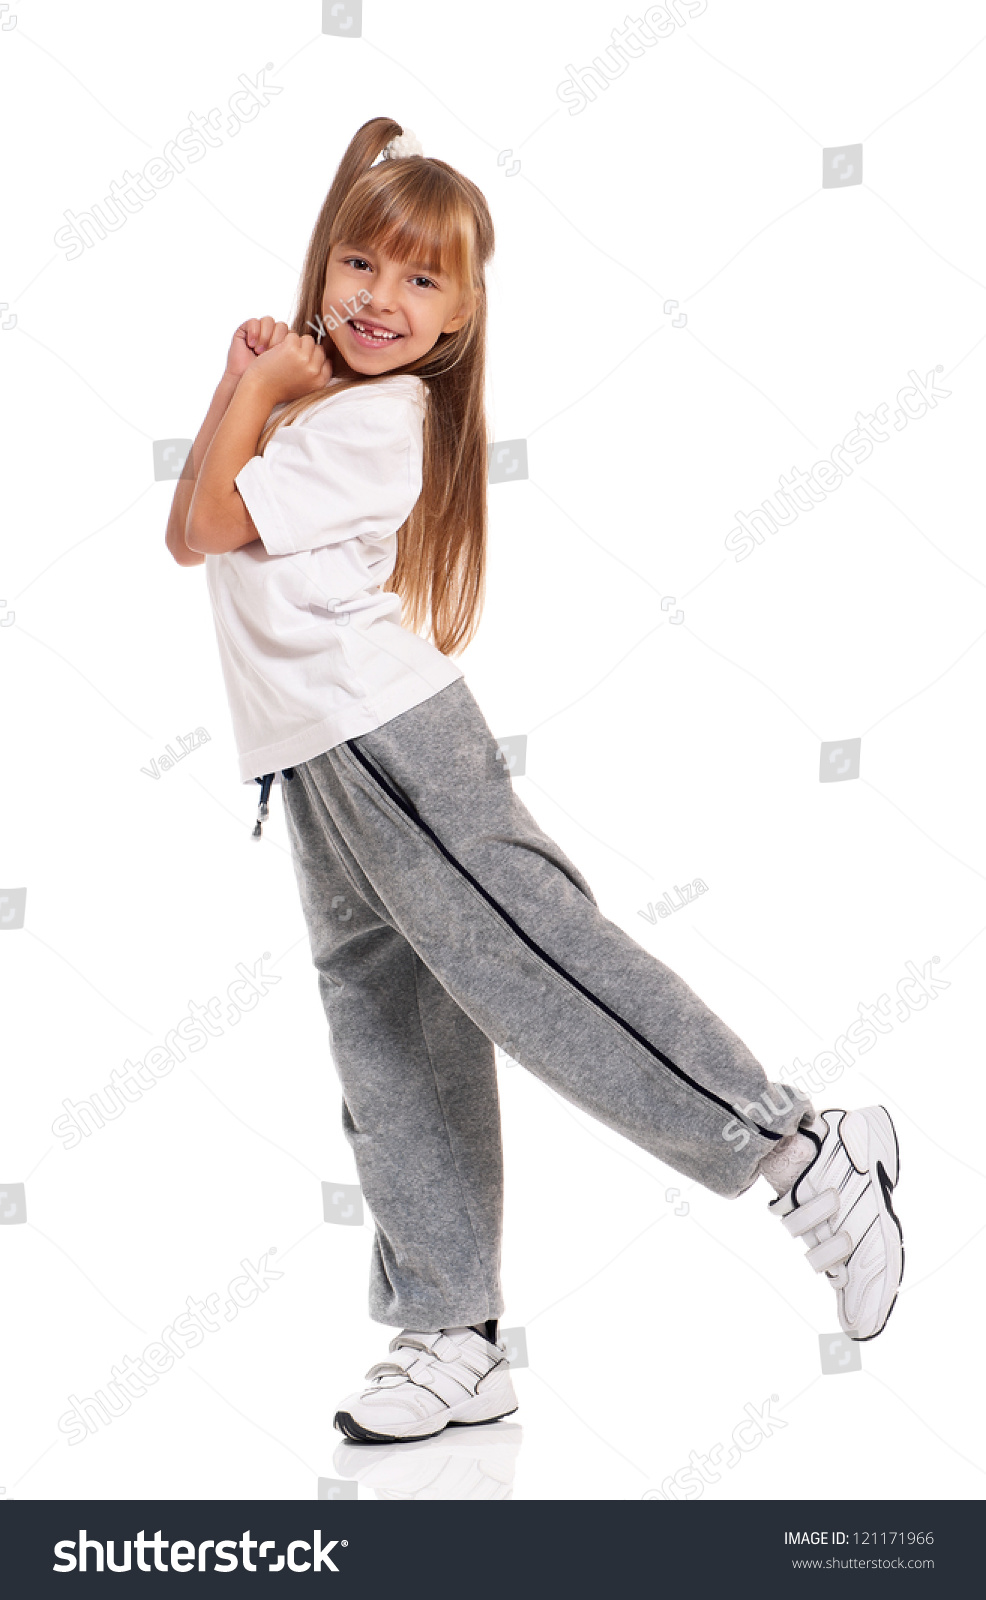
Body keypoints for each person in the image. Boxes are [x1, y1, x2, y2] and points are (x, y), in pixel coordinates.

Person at [165, 116, 904, 1446]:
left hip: (388, 741)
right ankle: (455, 1330)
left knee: (529, 967)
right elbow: (202, 526)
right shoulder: (322, 401)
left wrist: (256, 393)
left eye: (420, 280)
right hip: (317, 757)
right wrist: (254, 384)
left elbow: (202, 524)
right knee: (386, 1030)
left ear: (457, 317)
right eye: (359, 267)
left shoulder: (379, 418)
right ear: (323, 272)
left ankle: (798, 1146)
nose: (381, 300)